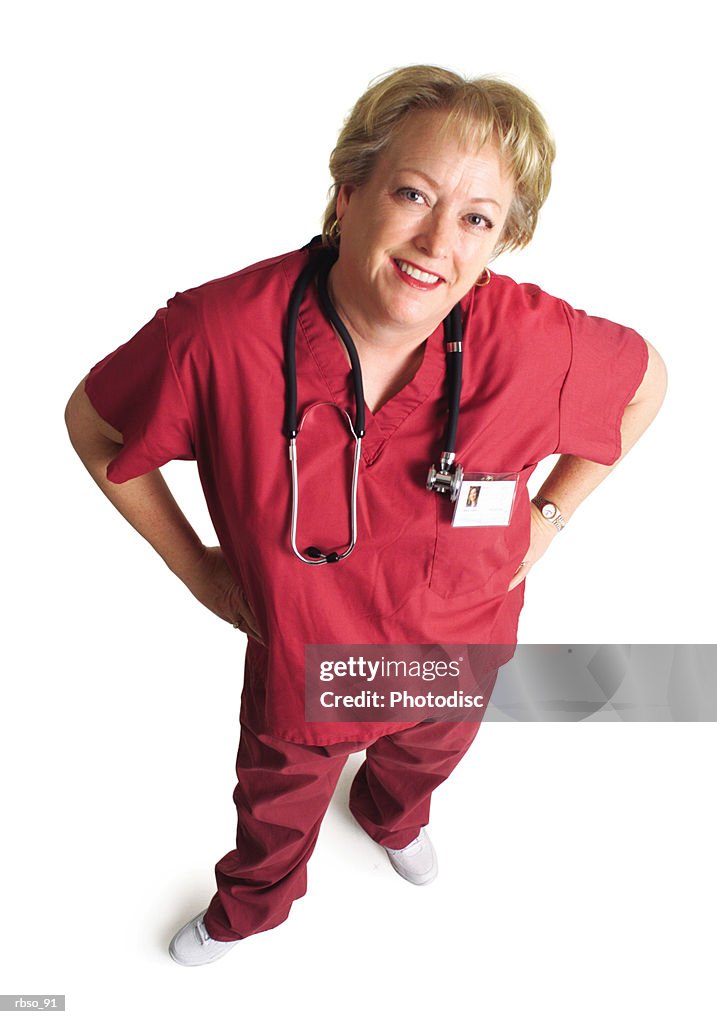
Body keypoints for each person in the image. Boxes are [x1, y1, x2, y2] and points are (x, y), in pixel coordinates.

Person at [64, 64, 667, 967]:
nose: (436, 241)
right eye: (412, 193)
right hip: (305, 662)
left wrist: (550, 515)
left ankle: (388, 819)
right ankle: (250, 909)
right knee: (273, 808)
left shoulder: (538, 343)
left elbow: (647, 384)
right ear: (347, 193)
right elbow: (95, 422)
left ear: (504, 240)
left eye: (475, 218)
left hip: (457, 645)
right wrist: (197, 570)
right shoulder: (220, 334)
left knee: (423, 764)